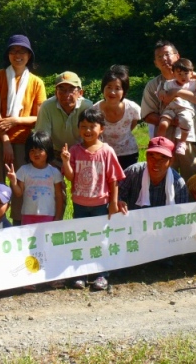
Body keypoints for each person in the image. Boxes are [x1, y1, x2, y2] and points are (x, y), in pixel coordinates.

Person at [61, 107, 126, 290]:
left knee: (100, 239)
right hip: (80, 204)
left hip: (100, 204)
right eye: (83, 126)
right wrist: (66, 161)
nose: (87, 131)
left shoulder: (107, 151)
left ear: (102, 129)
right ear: (78, 128)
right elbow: (70, 177)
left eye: (92, 126)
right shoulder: (74, 150)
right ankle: (80, 273)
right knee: (81, 239)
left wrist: (113, 203)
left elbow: (114, 179)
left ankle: (101, 274)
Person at [0, 35, 46, 225]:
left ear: (29, 55)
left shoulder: (37, 83)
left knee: (20, 184)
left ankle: (17, 226)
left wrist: (16, 120)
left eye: (22, 51)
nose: (17, 55)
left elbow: (39, 116)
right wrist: (5, 141)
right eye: (13, 51)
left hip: (23, 141)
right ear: (8, 54)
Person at [141, 40, 196, 182]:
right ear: (155, 63)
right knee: (165, 181)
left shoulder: (192, 79)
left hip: (188, 138)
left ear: (177, 56)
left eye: (167, 54)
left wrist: (177, 91)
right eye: (159, 57)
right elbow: (147, 115)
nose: (164, 59)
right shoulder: (153, 85)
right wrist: (173, 122)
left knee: (193, 179)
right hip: (165, 140)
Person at [34, 71, 92, 168]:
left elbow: (93, 136)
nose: (66, 94)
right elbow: (42, 137)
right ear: (55, 93)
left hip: (80, 152)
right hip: (54, 153)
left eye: (71, 90)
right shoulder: (47, 106)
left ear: (80, 93)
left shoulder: (87, 106)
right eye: (62, 90)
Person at [5, 131, 64, 224]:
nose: (36, 153)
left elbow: (59, 196)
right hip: (28, 215)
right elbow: (18, 193)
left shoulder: (54, 172)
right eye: (32, 150)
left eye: (40, 150)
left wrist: (58, 217)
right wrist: (13, 181)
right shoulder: (24, 170)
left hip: (48, 215)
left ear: (48, 151)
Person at [118, 136, 189, 211]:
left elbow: (182, 213)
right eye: (152, 157)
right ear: (146, 157)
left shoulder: (178, 183)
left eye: (162, 158)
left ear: (171, 161)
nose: (156, 163)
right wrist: (119, 202)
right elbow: (115, 193)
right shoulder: (133, 172)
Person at [93, 65, 141, 170]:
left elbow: (132, 124)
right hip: (104, 153)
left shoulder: (132, 108)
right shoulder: (95, 110)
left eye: (117, 88)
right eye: (109, 87)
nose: (112, 92)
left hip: (129, 153)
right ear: (103, 88)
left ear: (124, 91)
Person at [157, 58, 196, 156]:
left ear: (191, 73)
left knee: (185, 120)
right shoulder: (169, 83)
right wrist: (162, 92)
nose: (183, 77)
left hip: (185, 109)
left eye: (186, 73)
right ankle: (160, 143)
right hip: (170, 108)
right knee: (163, 124)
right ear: (174, 74)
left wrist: (195, 76)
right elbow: (161, 94)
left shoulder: (193, 84)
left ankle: (182, 142)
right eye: (179, 74)